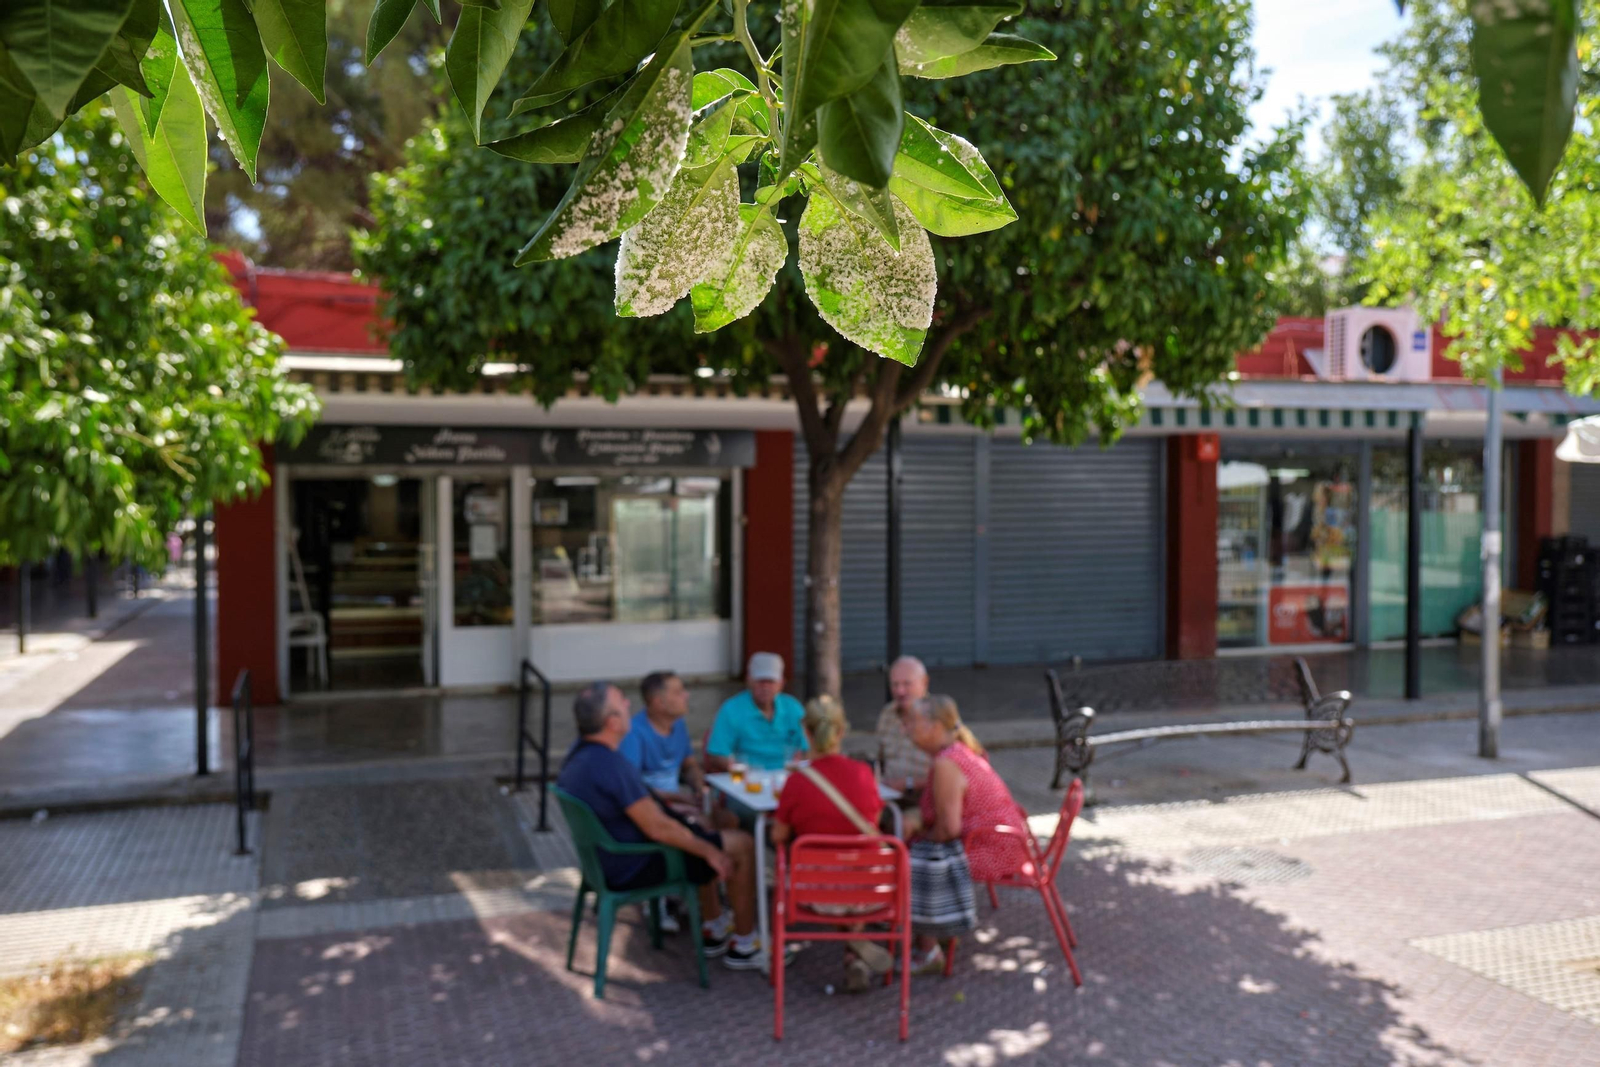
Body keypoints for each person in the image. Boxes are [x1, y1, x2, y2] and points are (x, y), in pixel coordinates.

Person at [556, 681, 766, 969]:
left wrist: (675, 805)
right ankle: (745, 945)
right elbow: (658, 828)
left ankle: (715, 925)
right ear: (612, 722)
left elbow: (638, 803)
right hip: (636, 863)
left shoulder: (581, 754)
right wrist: (710, 852)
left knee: (703, 827)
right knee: (741, 843)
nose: (630, 705)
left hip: (605, 862)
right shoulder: (611, 766)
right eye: (622, 703)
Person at [771, 695, 891, 993]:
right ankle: (854, 952)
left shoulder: (797, 782)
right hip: (869, 891)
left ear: (806, 732)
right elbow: (874, 824)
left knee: (793, 864)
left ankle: (765, 943)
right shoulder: (863, 774)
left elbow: (777, 836)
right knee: (854, 865)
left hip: (816, 893)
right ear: (842, 731)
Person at [904, 695, 1028, 975]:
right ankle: (937, 930)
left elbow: (949, 829)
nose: (906, 728)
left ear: (935, 727)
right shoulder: (958, 752)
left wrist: (918, 839)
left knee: (916, 860)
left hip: (995, 849)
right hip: (1006, 842)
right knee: (920, 848)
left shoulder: (947, 763)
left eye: (913, 722)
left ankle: (928, 949)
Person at [705, 652, 807, 773]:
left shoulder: (793, 708)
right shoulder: (731, 709)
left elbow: (807, 749)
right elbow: (716, 754)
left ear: (781, 683)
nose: (765, 687)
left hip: (788, 776)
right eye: (760, 681)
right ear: (748, 681)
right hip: (748, 779)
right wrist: (738, 767)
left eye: (771, 681)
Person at [618, 671, 705, 807]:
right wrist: (681, 799)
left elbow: (689, 764)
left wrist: (699, 786)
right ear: (659, 702)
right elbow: (631, 787)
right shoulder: (633, 733)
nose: (686, 695)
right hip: (649, 808)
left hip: (676, 804)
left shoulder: (678, 724)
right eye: (678, 692)